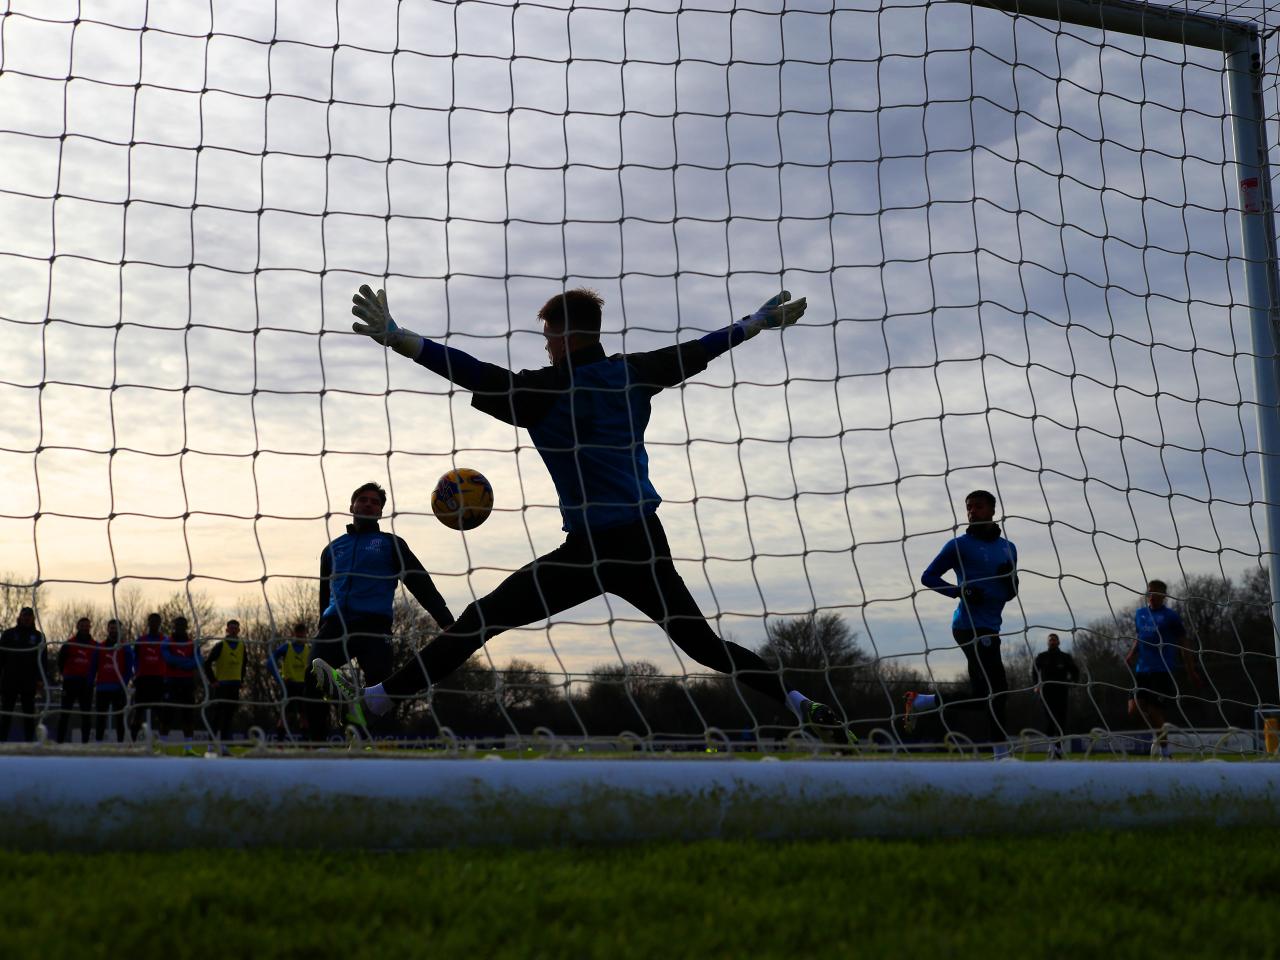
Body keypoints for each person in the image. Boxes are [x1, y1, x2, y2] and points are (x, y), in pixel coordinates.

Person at [314, 284, 851, 744]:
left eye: (548, 335)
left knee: (482, 619)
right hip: (644, 543)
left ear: (566, 335)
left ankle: (378, 700)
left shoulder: (543, 391)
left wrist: (400, 340)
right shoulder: (636, 372)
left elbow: (471, 372)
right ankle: (802, 702)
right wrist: (753, 324)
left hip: (591, 552)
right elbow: (698, 349)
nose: (546, 345)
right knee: (704, 644)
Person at [305, 481, 456, 739]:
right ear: (352, 505)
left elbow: (419, 581)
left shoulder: (391, 544)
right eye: (363, 499)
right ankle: (317, 746)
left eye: (375, 502)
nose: (368, 504)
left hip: (375, 627)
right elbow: (325, 591)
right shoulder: (332, 549)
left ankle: (364, 740)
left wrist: (445, 620)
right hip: (335, 626)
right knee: (310, 678)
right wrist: (322, 623)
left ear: (380, 512)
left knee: (381, 688)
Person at [907, 489, 1019, 756]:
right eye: (969, 507)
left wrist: (1008, 580)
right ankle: (1001, 755)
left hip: (992, 625)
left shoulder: (1009, 548)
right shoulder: (958, 545)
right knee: (998, 690)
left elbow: (1012, 593)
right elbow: (928, 577)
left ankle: (924, 701)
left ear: (993, 510)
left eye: (978, 507)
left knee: (983, 695)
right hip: (968, 626)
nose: (972, 512)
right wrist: (959, 591)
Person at [1125, 579, 1202, 759]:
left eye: (1156, 593)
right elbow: (1140, 636)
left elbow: (1184, 642)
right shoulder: (1140, 613)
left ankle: (1166, 752)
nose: (1151, 596)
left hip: (1162, 670)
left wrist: (1191, 670)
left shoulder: (1170, 617)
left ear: (1163, 595)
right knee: (1133, 710)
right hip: (1141, 669)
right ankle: (1156, 732)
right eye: (1149, 592)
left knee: (1154, 710)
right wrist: (1131, 653)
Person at [0, 607, 47, 742]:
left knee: (28, 713)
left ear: (33, 618)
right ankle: (2, 742)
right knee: (6, 712)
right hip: (10, 679)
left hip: (29, 681)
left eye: (29, 616)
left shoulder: (39, 636)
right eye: (24, 615)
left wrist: (40, 679)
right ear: (19, 617)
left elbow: (43, 660)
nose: (26, 618)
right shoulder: (8, 634)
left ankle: (29, 742)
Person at [1033, 632, 1080, 758]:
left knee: (1061, 720)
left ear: (1058, 642)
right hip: (1046, 692)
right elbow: (1034, 671)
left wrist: (1074, 682)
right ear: (1047, 642)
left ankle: (1059, 747)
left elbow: (1075, 671)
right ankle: (1051, 746)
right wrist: (1036, 685)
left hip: (1061, 692)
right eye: (1050, 640)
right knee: (1048, 720)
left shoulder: (1065, 657)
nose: (1052, 642)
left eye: (1054, 640)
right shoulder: (1041, 657)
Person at [203, 619, 247, 746]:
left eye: (236, 628)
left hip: (234, 687)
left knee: (229, 717)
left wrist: (241, 680)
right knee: (216, 716)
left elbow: (244, 664)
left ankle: (224, 745)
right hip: (221, 686)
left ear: (239, 630)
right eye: (231, 628)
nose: (233, 630)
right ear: (227, 630)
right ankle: (211, 745)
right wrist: (213, 680)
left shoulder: (242, 645)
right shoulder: (220, 645)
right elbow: (207, 663)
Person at [55, 617, 96, 744]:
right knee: (64, 713)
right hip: (70, 683)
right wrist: (66, 675)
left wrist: (91, 678)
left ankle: (85, 743)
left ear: (90, 627)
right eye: (82, 625)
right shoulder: (69, 644)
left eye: (86, 625)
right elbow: (60, 661)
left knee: (86, 714)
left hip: (86, 684)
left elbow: (97, 664)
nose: (84, 628)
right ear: (78, 627)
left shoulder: (95, 645)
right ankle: (59, 742)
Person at [161, 615, 200, 744]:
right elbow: (168, 658)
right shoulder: (167, 642)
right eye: (178, 625)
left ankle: (188, 748)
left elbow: (198, 661)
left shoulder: (192, 643)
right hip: (171, 682)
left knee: (188, 716)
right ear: (174, 626)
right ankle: (163, 746)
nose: (180, 628)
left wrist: (181, 664)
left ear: (186, 627)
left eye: (183, 625)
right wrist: (186, 663)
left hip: (187, 682)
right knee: (167, 715)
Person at [129, 613, 168, 740]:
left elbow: (168, 659)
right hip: (143, 679)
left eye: (157, 621)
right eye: (152, 621)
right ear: (148, 623)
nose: (154, 624)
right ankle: (132, 742)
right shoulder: (141, 640)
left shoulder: (165, 640)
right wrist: (136, 673)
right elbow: (135, 658)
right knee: (138, 712)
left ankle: (163, 742)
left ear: (160, 623)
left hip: (159, 680)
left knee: (161, 713)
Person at [270, 622, 311, 739]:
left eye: (303, 634)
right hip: (289, 686)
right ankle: (280, 744)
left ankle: (307, 745)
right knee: (285, 715)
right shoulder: (287, 647)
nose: (301, 636)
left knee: (304, 715)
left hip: (303, 686)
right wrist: (279, 679)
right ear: (294, 634)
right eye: (299, 634)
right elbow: (270, 662)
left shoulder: (309, 649)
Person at [93, 619, 132, 743]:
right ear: (107, 629)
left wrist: (123, 685)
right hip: (102, 688)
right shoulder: (99, 647)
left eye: (116, 628)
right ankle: (98, 744)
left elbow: (129, 669)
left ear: (120, 630)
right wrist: (91, 682)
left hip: (118, 689)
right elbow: (93, 667)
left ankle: (120, 744)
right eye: (111, 628)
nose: (113, 630)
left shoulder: (125, 648)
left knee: (120, 719)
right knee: (100, 719)